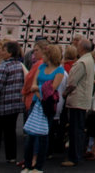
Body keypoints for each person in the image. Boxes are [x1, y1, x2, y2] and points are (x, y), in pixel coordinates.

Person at [22, 43, 65, 172]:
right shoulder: (41, 67)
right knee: (30, 135)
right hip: (37, 102)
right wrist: (40, 92)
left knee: (43, 136)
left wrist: (38, 90)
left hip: (48, 106)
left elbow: (52, 89)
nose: (42, 57)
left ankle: (39, 166)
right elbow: (33, 86)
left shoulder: (59, 70)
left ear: (50, 56)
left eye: (45, 55)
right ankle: (28, 164)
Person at [0, 41, 24, 164]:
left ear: (9, 53)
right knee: (10, 131)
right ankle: (11, 156)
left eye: (3, 50)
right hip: (15, 104)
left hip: (1, 104)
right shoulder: (19, 65)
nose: (1, 52)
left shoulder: (3, 67)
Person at [61, 38, 94, 167]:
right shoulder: (89, 60)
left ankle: (74, 156)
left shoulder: (81, 62)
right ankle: (77, 154)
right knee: (79, 128)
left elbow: (72, 82)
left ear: (81, 48)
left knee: (75, 129)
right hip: (82, 98)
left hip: (77, 99)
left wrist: (65, 93)